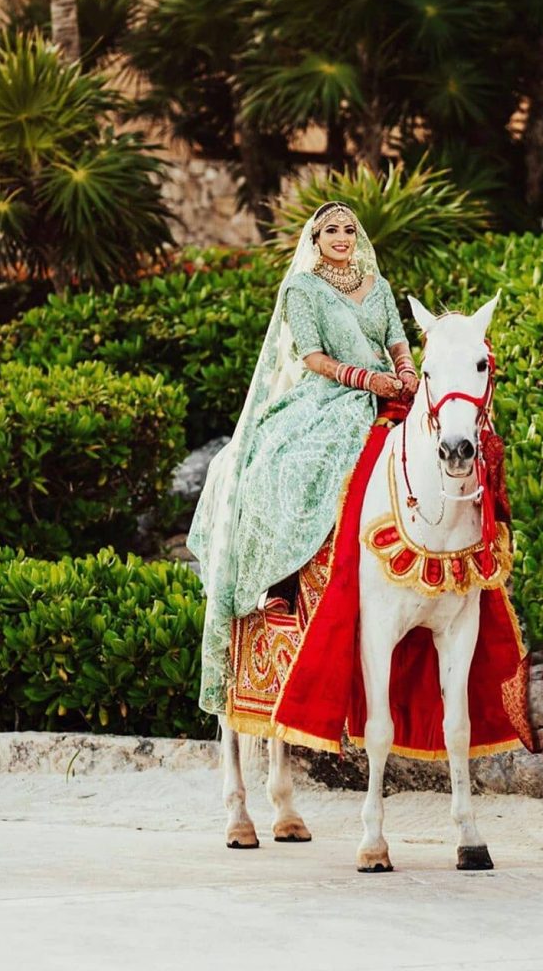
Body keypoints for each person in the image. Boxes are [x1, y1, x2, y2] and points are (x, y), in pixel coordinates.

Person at [187, 202, 419, 716]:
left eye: (348, 229)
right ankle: (281, 583)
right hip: (331, 396)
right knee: (292, 461)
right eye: (330, 230)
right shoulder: (302, 289)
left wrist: (404, 372)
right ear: (314, 240)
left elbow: (397, 340)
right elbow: (311, 358)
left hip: (392, 391)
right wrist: (367, 380)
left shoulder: (376, 284)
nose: (340, 237)